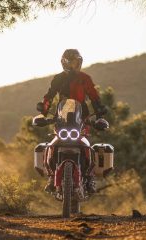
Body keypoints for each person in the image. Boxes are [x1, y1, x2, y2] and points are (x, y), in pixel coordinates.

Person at [40, 49, 106, 194]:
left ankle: (89, 178)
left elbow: (94, 97)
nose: (75, 65)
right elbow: (49, 96)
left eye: (77, 62)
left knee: (86, 145)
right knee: (53, 144)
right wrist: (42, 112)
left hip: (81, 118)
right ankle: (51, 176)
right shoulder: (58, 79)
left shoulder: (85, 78)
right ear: (65, 63)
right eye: (73, 62)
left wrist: (100, 114)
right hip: (61, 118)